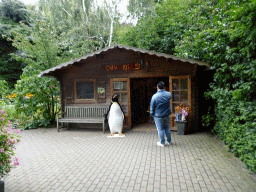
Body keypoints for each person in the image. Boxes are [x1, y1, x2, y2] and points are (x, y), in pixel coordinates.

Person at [150, 81, 172, 147]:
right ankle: (169, 141)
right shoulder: (168, 94)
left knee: (160, 129)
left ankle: (162, 143)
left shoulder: (154, 96)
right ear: (164, 87)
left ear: (157, 87)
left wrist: (152, 114)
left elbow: (152, 107)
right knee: (167, 128)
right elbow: (170, 97)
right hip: (167, 114)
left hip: (158, 115)